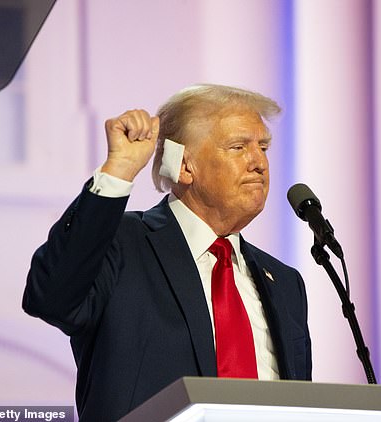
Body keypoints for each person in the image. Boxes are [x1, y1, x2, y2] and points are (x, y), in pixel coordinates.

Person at [23, 84, 312, 421]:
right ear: (185, 166)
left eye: (263, 147)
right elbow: (51, 298)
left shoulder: (285, 282)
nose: (259, 162)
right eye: (238, 147)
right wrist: (119, 170)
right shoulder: (122, 244)